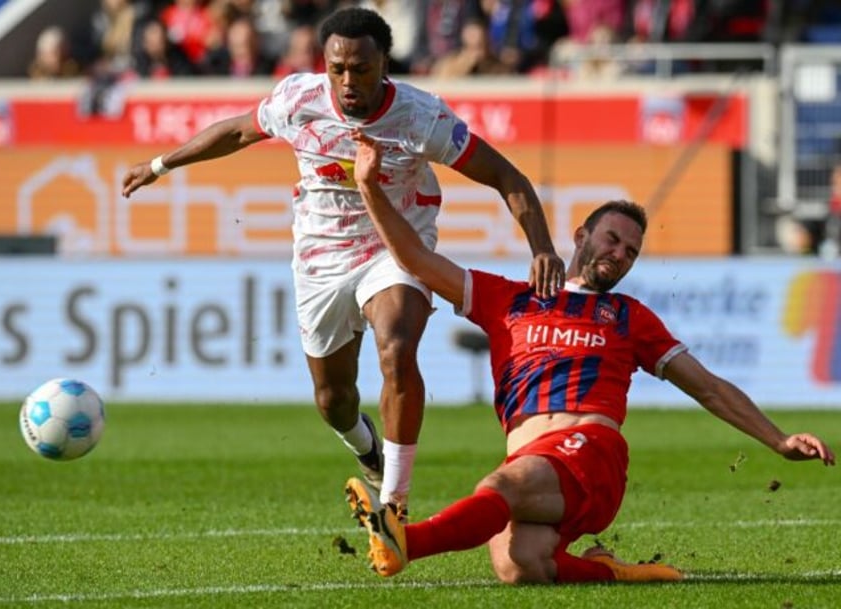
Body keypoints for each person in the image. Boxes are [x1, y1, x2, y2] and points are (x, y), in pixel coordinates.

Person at [120, 7, 563, 520]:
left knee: (397, 347)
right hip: (321, 257)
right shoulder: (299, 99)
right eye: (338, 69)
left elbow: (507, 177)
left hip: (396, 248)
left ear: (384, 65)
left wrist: (542, 247)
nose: (348, 81)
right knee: (333, 400)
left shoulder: (423, 118)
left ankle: (394, 506)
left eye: (361, 69)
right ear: (324, 63)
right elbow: (239, 132)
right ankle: (365, 447)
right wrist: (158, 165)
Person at [343, 130, 836, 584]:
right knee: (519, 564)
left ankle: (406, 542)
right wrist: (368, 186)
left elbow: (708, 386)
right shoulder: (509, 299)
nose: (620, 253)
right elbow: (417, 260)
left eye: (631, 252)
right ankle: (614, 572)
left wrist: (777, 440)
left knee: (500, 485)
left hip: (591, 454)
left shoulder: (628, 316)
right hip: (534, 460)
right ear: (581, 236)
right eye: (612, 239)